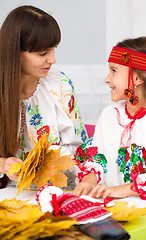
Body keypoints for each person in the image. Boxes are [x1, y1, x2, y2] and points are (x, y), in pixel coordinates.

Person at [72, 37, 146, 239]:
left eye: (114, 71)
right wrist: (90, 178)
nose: (107, 79)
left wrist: (122, 190)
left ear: (138, 77)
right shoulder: (109, 113)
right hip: (116, 213)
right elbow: (96, 157)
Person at [0, 5, 87, 187]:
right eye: (43, 53)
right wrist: (3, 164)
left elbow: (80, 149)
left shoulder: (60, 85)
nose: (52, 59)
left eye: (53, 48)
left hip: (51, 190)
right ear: (15, 52)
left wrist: (53, 159)